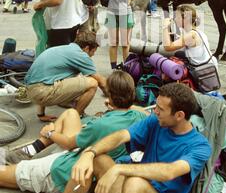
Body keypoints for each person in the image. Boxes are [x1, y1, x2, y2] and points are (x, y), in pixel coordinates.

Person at [12, 83, 211, 193]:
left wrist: (120, 170)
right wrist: (89, 153)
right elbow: (121, 136)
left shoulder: (200, 146)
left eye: (160, 109)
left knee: (135, 183)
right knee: (98, 158)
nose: (154, 111)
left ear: (179, 115)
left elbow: (170, 172)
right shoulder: (156, 122)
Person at [2, 71, 146, 185]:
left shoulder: (101, 125)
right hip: (82, 151)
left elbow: (68, 143)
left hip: (64, 169)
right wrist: (120, 105)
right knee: (71, 113)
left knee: (4, 174)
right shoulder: (139, 116)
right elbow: (143, 111)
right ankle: (32, 149)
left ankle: (31, 153)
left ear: (110, 96)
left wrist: (50, 133)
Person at [24, 31, 106, 121]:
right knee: (92, 83)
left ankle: (66, 103)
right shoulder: (80, 55)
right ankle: (76, 117)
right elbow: (102, 82)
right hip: (41, 92)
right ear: (87, 48)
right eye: (93, 51)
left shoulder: (63, 49)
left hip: (31, 90)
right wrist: (115, 101)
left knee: (77, 78)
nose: (93, 55)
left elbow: (44, 77)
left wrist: (41, 115)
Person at [98, 0, 150, 69]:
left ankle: (126, 67)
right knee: (113, 43)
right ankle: (114, 68)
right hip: (111, 13)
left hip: (125, 13)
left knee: (125, 43)